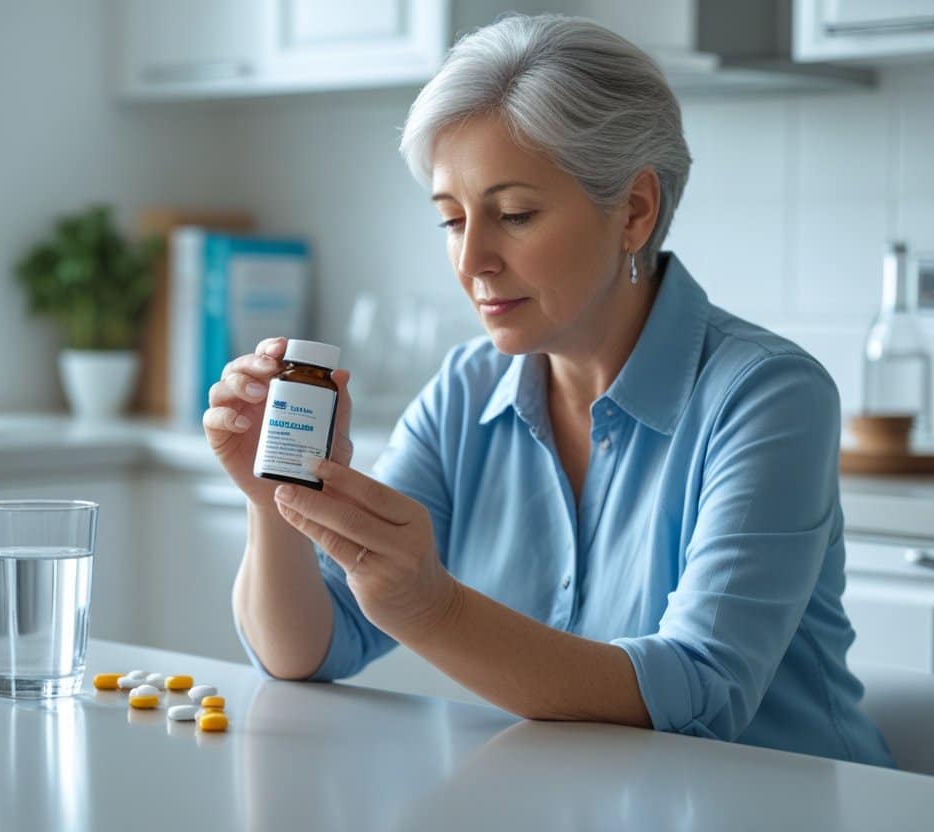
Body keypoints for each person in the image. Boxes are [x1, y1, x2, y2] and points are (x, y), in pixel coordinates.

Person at [204, 13, 892, 766]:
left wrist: (432, 607)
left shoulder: (767, 397)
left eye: (515, 215)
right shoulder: (465, 392)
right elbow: (309, 648)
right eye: (451, 220)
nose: (473, 260)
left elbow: (702, 691)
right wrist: (275, 498)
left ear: (634, 210)